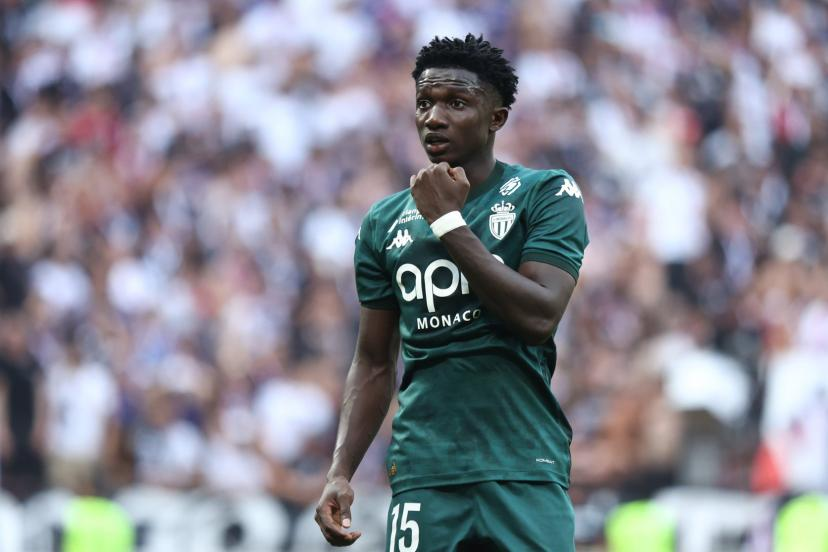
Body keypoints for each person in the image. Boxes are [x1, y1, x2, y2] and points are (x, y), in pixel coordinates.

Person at [315, 34, 589, 551]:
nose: (434, 118)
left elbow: (539, 316)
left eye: (456, 103)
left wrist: (446, 223)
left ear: (496, 118)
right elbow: (373, 362)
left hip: (522, 466)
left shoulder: (546, 193)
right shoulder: (383, 222)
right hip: (425, 473)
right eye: (425, 103)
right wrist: (341, 471)